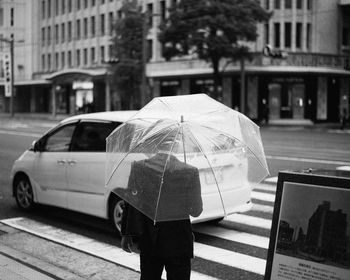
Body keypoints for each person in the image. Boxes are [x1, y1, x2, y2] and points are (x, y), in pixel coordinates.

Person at [120, 142, 203, 280]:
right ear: (176, 146)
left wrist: (126, 234)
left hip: (150, 238)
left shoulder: (139, 167)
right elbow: (196, 210)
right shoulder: (190, 171)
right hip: (179, 240)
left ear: (157, 146)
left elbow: (131, 203)